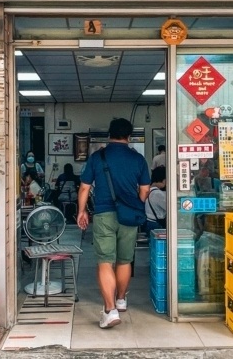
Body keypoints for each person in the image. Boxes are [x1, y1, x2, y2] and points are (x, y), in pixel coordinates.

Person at [77, 118, 150, 329]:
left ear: (110, 134)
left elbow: (84, 188)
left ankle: (110, 311)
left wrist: (82, 211)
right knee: (125, 260)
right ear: (129, 136)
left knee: (105, 261)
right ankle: (120, 299)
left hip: (104, 214)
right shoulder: (138, 159)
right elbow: (144, 190)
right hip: (130, 216)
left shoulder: (97, 157)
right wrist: (136, 205)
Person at [143, 166, 167, 235]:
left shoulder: (150, 190)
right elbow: (169, 208)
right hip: (155, 224)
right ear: (163, 180)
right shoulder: (157, 193)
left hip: (149, 222)